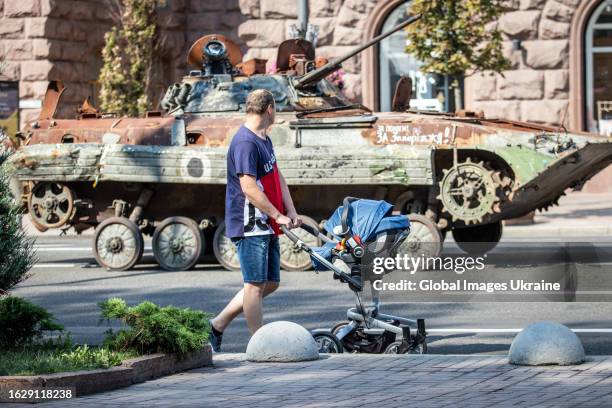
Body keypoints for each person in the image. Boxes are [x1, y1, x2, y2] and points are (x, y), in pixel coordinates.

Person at [209, 89, 302, 352]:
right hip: (251, 223)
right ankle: (258, 345)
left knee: (269, 282)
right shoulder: (245, 143)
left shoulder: (263, 139)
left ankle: (216, 325)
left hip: (267, 221)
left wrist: (290, 210)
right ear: (270, 109)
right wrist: (277, 214)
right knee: (254, 285)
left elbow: (277, 176)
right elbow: (248, 187)